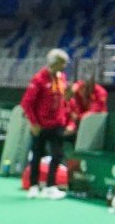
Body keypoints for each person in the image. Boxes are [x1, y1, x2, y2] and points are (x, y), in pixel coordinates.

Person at [21, 48, 76, 199]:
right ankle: (33, 186)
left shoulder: (61, 77)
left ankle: (50, 187)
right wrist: (33, 123)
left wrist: (69, 96)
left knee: (57, 155)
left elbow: (64, 100)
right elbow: (27, 103)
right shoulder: (39, 79)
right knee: (37, 154)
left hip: (57, 124)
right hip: (40, 124)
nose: (64, 66)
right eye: (62, 63)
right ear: (55, 63)